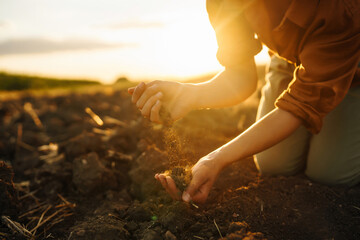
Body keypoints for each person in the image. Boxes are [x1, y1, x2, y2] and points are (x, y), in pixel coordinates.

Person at [128, 0, 360, 204]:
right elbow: (240, 76)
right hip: (291, 61)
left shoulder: (341, 8)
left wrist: (214, 159)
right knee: (274, 164)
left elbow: (298, 108)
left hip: (352, 68)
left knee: (330, 173)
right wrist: (189, 94)